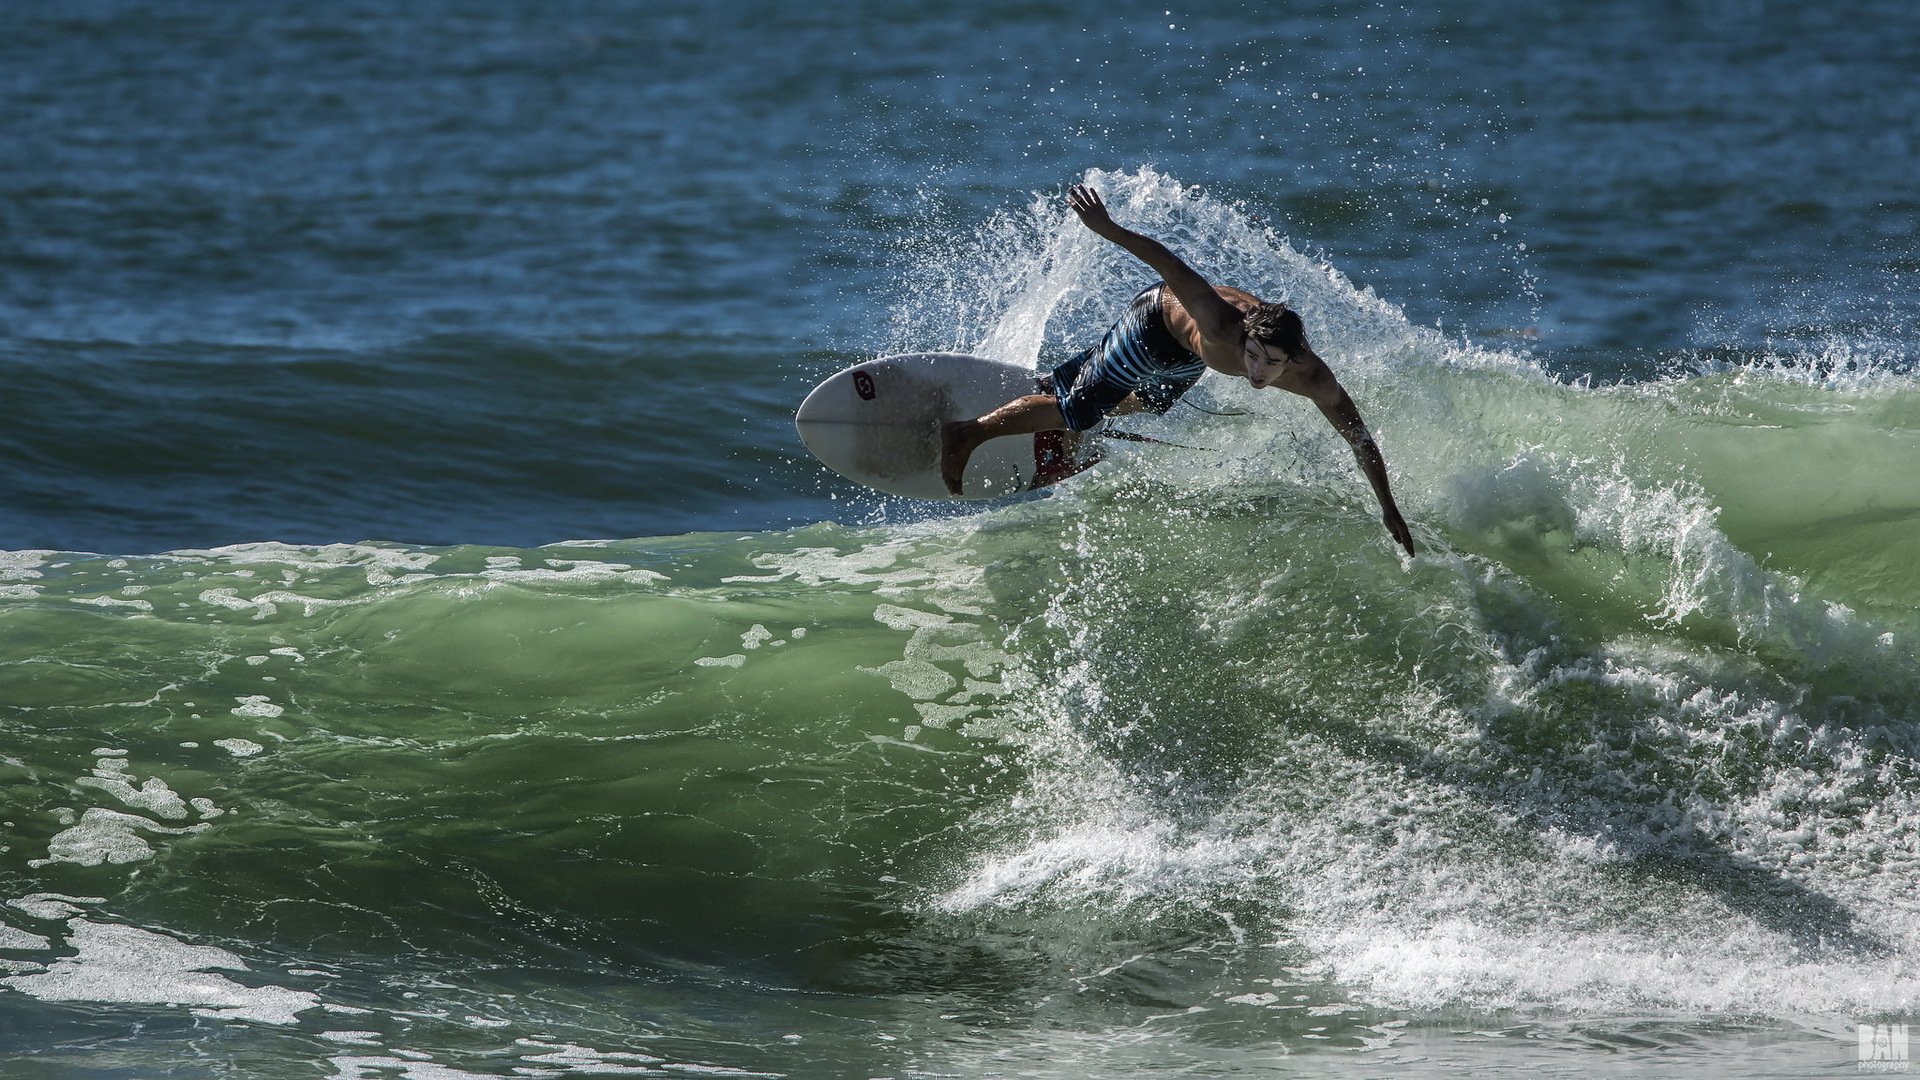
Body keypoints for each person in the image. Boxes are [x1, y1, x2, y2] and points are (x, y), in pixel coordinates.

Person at [939, 183, 1417, 557]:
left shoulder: (1311, 377)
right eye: (1252, 355)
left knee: (1151, 403)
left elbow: (1358, 437)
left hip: (1188, 356)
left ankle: (1064, 392)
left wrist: (1388, 506)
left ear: (1293, 361)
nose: (1257, 372)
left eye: (1271, 365)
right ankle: (969, 434)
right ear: (1244, 336)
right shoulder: (1219, 321)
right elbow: (1166, 263)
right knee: (1085, 411)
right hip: (1155, 324)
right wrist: (1106, 227)